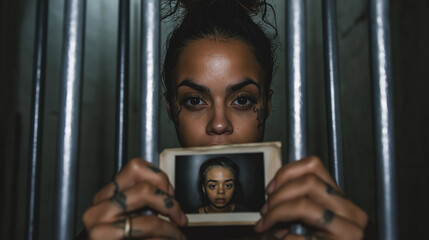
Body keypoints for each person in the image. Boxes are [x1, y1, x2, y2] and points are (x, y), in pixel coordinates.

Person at [82, 0, 371, 239]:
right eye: (194, 100)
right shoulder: (134, 225)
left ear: (267, 105)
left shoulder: (306, 226)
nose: (219, 124)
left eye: (242, 100)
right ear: (170, 108)